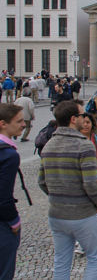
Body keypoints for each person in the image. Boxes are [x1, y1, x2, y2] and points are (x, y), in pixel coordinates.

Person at [38, 100, 97, 279]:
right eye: (82, 115)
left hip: (57, 213)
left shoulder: (49, 145)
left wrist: (58, 196)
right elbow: (91, 183)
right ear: (73, 119)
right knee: (95, 258)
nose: (85, 119)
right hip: (83, 213)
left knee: (61, 261)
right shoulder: (84, 145)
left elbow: (42, 181)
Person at [0, 103, 26, 279]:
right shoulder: (9, 155)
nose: (23, 125)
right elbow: (3, 195)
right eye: (19, 121)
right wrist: (14, 222)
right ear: (3, 123)